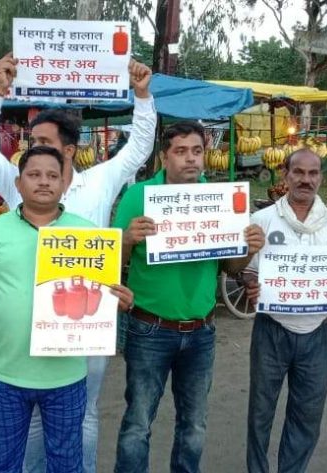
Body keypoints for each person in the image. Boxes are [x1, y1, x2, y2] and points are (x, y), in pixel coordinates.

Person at [0, 52, 156, 473]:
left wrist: (142, 97)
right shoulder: (20, 182)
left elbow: (140, 146)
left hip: (84, 323)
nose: (37, 156)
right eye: (32, 146)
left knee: (84, 416)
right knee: (27, 425)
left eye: (46, 144)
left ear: (70, 149)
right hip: (23, 336)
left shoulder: (101, 180)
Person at [0, 146, 134, 473]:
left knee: (66, 463)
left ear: (64, 183)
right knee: (0, 461)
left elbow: (102, 298)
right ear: (19, 183)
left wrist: (120, 302)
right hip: (5, 373)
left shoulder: (88, 234)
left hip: (65, 376)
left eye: (53, 175)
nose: (44, 182)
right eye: (34, 175)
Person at [113, 122, 265, 473]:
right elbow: (111, 262)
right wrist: (127, 239)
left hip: (202, 331)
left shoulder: (216, 199)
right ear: (165, 156)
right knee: (138, 422)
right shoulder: (139, 196)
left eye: (196, 151)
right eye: (180, 152)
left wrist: (247, 249)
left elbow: (230, 268)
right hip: (149, 328)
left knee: (194, 425)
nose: (190, 159)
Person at [241, 149, 327, 473]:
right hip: (271, 329)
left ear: (321, 178)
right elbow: (247, 270)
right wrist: (248, 281)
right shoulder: (263, 220)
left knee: (307, 415)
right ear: (285, 175)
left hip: (317, 333)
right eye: (298, 172)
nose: (305, 179)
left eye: (313, 173)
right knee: (260, 412)